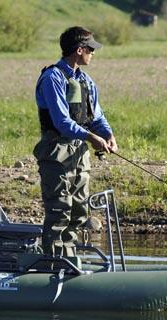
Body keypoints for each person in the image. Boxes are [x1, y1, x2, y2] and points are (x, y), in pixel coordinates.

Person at [34, 26, 118, 257]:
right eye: (90, 49)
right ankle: (51, 264)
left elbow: (97, 117)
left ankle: (69, 261)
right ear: (79, 50)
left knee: (79, 212)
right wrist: (92, 137)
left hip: (79, 154)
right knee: (59, 211)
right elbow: (61, 121)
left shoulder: (87, 82)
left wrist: (108, 135)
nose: (93, 53)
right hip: (55, 152)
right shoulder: (52, 78)